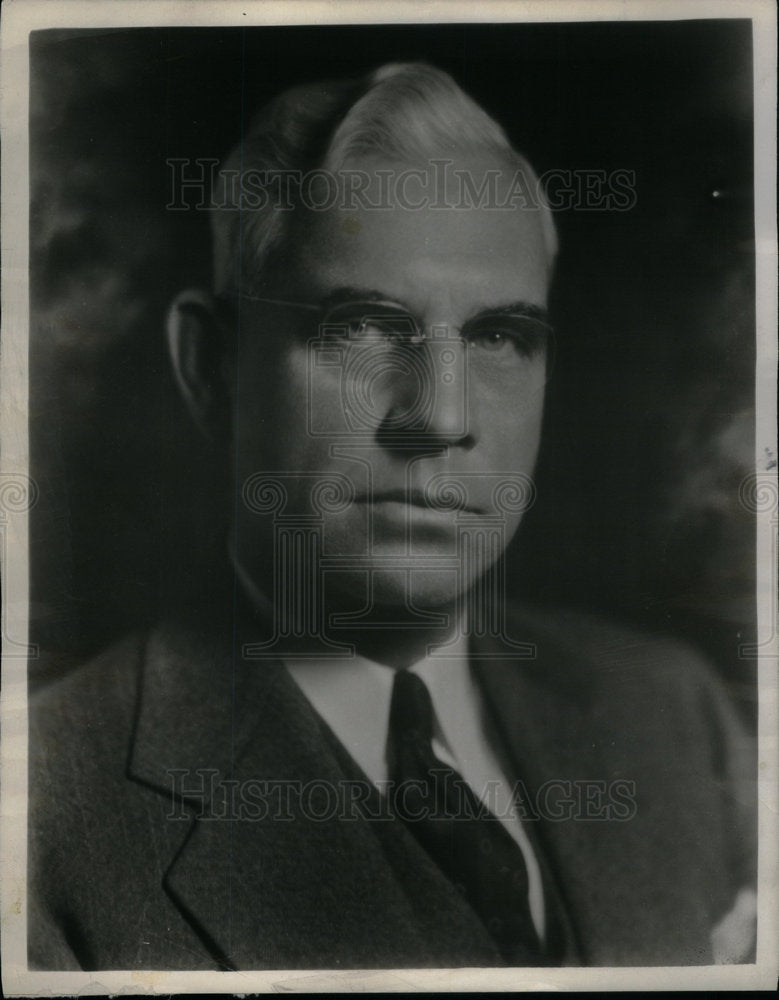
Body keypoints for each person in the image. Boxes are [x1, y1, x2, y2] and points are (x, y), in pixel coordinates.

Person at [28, 62, 756, 970]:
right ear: (212, 369)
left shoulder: (673, 712)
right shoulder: (41, 814)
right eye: (365, 327)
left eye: (500, 336)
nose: (441, 419)